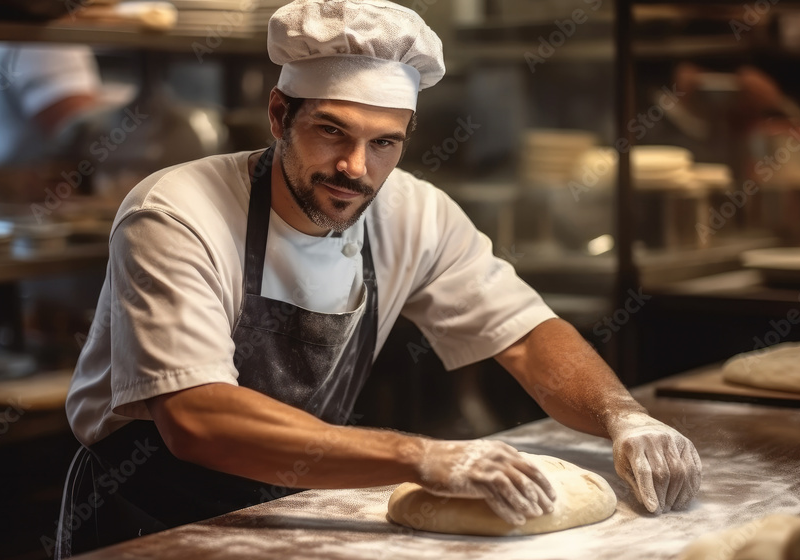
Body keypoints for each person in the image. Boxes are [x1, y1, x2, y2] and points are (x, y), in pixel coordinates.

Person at [56, 0, 702, 556]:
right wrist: (424, 457)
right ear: (280, 115)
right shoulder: (176, 212)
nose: (355, 168)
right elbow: (196, 419)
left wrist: (625, 418)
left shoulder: (413, 212)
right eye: (330, 131)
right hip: (147, 511)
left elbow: (527, 336)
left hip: (301, 499)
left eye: (385, 142)